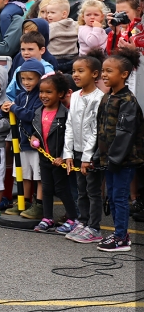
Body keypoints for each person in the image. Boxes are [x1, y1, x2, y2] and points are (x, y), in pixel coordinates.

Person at [93, 49, 143, 252]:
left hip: (123, 160)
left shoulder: (128, 102)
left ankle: (121, 237)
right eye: (103, 70)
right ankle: (118, 233)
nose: (104, 74)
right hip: (109, 159)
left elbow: (125, 134)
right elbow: (101, 129)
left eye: (109, 71)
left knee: (119, 197)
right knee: (111, 196)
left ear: (124, 74)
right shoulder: (107, 98)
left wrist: (113, 159)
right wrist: (97, 155)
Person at [62, 52, 106, 242]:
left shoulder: (99, 98)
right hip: (77, 151)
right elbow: (70, 124)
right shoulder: (76, 96)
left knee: (93, 191)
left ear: (95, 74)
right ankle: (83, 221)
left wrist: (87, 157)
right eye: (73, 71)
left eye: (81, 71)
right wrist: (68, 152)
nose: (76, 75)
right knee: (81, 189)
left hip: (92, 154)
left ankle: (94, 228)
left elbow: (96, 131)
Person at [28, 74, 78, 232]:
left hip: (59, 160)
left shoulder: (65, 114)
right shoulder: (38, 112)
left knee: (62, 189)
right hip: (44, 158)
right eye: (41, 92)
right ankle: (47, 217)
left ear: (61, 94)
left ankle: (73, 218)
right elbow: (37, 131)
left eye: (49, 92)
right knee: (46, 189)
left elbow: (70, 138)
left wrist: (63, 157)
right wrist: (34, 138)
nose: (43, 95)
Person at [1, 58, 46, 220]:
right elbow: (13, 112)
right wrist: (4, 109)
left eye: (30, 79)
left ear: (40, 78)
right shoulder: (20, 96)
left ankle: (40, 204)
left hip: (37, 143)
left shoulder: (41, 96)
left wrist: (13, 107)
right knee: (24, 174)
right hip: (22, 143)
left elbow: (30, 116)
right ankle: (24, 202)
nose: (26, 82)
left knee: (39, 176)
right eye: (23, 79)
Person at [43, 0, 78, 72]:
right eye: (48, 12)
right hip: (72, 59)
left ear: (64, 14)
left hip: (55, 59)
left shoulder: (52, 27)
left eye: (52, 13)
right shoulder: (75, 24)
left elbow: (43, 41)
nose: (48, 15)